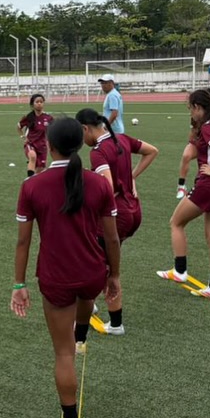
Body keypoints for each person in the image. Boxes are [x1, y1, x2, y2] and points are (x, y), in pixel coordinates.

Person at [12, 117, 120, 418]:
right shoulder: (99, 184)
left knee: (63, 355)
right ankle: (82, 335)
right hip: (92, 274)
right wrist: (114, 275)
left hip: (56, 279)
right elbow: (111, 239)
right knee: (78, 327)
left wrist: (19, 285)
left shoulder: (32, 186)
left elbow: (23, 243)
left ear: (50, 145)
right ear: (79, 144)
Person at [77, 107, 158, 335]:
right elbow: (152, 151)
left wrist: (87, 180)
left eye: (81, 134)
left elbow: (107, 187)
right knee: (103, 261)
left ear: (85, 129)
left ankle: (114, 323)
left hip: (116, 216)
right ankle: (91, 305)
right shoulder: (121, 138)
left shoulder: (98, 151)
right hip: (134, 212)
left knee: (99, 264)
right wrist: (131, 177)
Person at [157, 89, 210, 300]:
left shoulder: (209, 127)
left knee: (176, 222)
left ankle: (180, 271)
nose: (191, 112)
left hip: (209, 185)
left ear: (198, 108)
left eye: (191, 108)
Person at [18, 93, 54, 177]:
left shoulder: (48, 118)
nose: (39, 104)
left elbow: (54, 129)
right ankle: (29, 180)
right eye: (37, 102)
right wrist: (23, 136)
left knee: (40, 170)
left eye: (41, 102)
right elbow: (18, 127)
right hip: (30, 143)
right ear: (32, 104)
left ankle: (35, 182)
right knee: (33, 156)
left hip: (42, 146)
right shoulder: (29, 117)